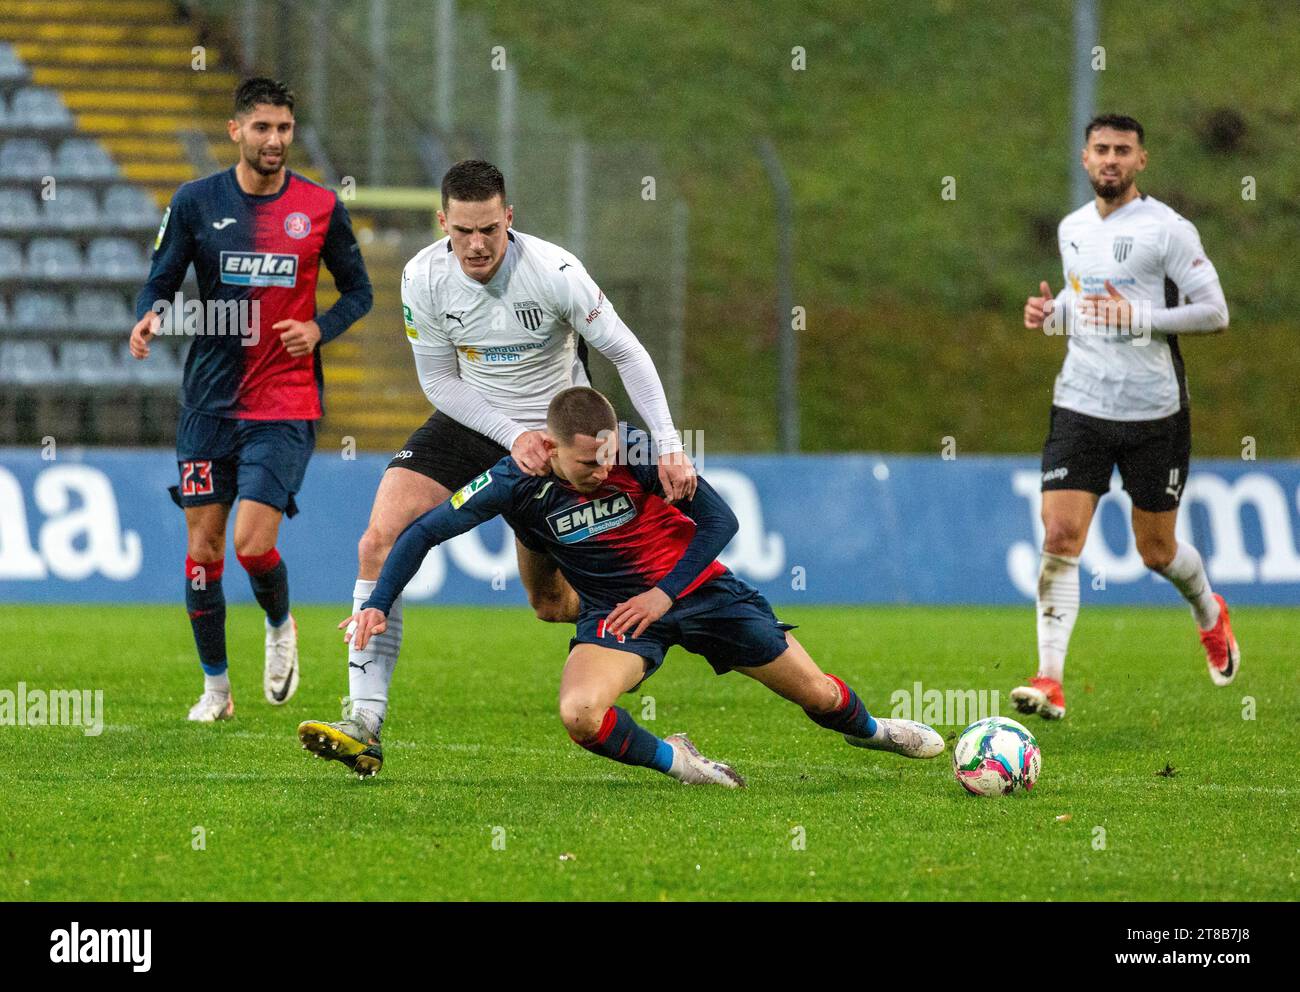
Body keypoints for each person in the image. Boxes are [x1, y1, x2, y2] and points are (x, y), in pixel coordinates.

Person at [300, 386, 943, 781]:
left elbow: (721, 520)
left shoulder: (637, 454)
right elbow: (420, 532)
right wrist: (378, 603)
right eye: (588, 460)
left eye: (607, 453)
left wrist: (664, 592)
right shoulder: (511, 478)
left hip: (700, 593)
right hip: (615, 613)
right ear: (549, 448)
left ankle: (877, 732)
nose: (602, 466)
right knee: (579, 715)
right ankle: (680, 762)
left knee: (820, 698)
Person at [334, 159, 695, 746]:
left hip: (562, 433)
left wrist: (671, 447)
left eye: (489, 231)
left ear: (509, 219)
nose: (476, 246)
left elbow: (627, 354)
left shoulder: (555, 272)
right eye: (462, 232)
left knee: (550, 604)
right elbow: (440, 383)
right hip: (473, 421)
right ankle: (364, 719)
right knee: (379, 539)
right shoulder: (421, 278)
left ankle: (621, 631)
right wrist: (510, 436)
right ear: (442, 222)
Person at [129, 77, 372, 721]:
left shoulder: (320, 207)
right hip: (209, 404)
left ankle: (279, 623)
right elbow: (160, 276)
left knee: (250, 546)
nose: (274, 140)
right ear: (236, 130)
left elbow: (359, 293)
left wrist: (321, 328)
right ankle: (216, 690)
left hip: (284, 404)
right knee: (204, 551)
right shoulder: (195, 201)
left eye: (284, 128)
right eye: (262, 128)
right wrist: (150, 315)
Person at [1016, 114, 1237, 721]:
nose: (1110, 159)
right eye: (1100, 149)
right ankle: (1050, 679)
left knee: (1156, 552)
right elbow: (1081, 304)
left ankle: (1210, 614)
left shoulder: (1168, 230)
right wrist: (1050, 313)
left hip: (1154, 413)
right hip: (1080, 404)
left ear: (1141, 161)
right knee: (1060, 537)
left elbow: (1215, 312)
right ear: (1084, 159)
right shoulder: (1072, 229)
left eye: (1122, 151)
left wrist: (1140, 319)